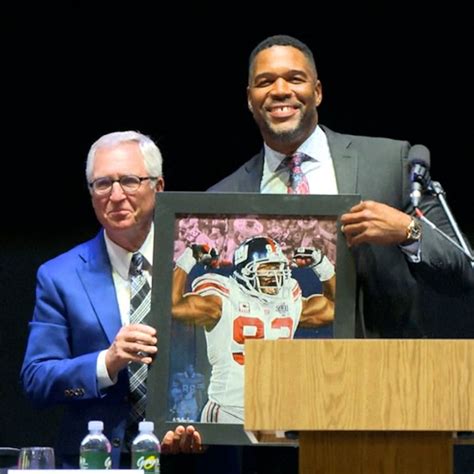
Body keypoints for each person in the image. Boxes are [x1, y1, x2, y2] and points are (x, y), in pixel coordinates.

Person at [208, 34, 474, 338]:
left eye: (295, 79)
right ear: (249, 99)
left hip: (380, 373)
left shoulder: (389, 164)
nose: (280, 91)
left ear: (317, 91)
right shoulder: (222, 199)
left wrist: (407, 231)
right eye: (265, 82)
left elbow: (463, 270)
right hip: (270, 377)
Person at [20, 131, 202, 469]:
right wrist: (107, 362)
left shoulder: (196, 267)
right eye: (103, 184)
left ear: (158, 187)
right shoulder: (59, 276)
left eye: (130, 181)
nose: (116, 196)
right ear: (91, 194)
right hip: (100, 460)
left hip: (195, 457)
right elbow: (36, 378)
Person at [172, 235, 335, 423]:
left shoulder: (289, 299)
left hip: (273, 409)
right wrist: (188, 257)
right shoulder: (222, 298)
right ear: (244, 271)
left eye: (277, 268)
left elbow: (335, 308)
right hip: (227, 409)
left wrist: (323, 265)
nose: (274, 276)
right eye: (266, 269)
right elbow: (173, 306)